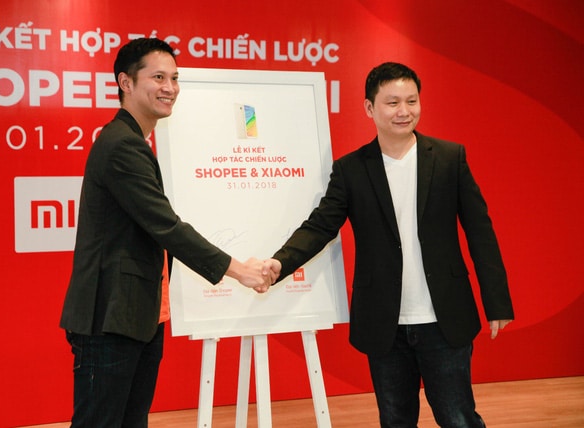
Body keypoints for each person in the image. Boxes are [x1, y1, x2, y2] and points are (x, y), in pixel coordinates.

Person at [265, 62, 514, 427]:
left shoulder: (449, 158)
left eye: (411, 101)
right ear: (370, 108)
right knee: (395, 420)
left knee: (458, 418)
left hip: (444, 317)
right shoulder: (351, 169)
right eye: (393, 102)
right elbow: (320, 226)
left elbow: (480, 231)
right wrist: (279, 263)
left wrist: (497, 301)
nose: (404, 111)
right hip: (385, 321)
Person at [59, 37, 271, 428]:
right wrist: (240, 270)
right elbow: (166, 226)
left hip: (138, 315)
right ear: (126, 83)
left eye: (174, 78)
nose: (170, 87)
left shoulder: (134, 142)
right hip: (110, 317)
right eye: (158, 77)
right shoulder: (121, 145)